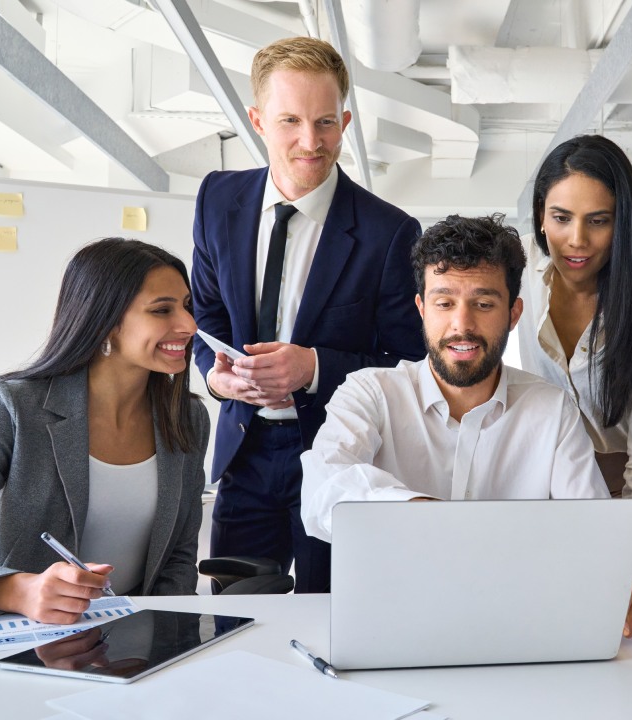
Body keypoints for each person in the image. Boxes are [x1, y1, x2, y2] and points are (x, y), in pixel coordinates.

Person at [301, 214, 632, 644]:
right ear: (421, 309)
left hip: (517, 631)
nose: (462, 325)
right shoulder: (370, 391)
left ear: (514, 312)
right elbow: (323, 489)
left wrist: (622, 586)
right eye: (444, 302)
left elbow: (592, 528)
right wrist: (425, 516)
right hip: (392, 628)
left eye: (484, 303)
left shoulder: (550, 410)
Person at [191, 37, 425, 593]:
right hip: (243, 455)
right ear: (257, 120)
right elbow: (206, 315)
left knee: (334, 618)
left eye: (325, 122)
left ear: (345, 120)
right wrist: (216, 377)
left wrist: (315, 368)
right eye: (290, 120)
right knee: (236, 621)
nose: (310, 141)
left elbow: (409, 362)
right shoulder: (216, 200)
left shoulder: (389, 232)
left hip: (341, 457)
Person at [0, 238, 208, 621]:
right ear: (105, 322)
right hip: (16, 632)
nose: (189, 325)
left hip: (133, 641)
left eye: (186, 306)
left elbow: (178, 556)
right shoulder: (16, 407)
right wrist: (18, 589)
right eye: (161, 310)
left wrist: (162, 634)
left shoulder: (185, 418)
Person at [518, 134, 632, 580]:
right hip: (533, 505)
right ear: (540, 216)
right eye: (560, 218)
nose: (577, 240)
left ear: (623, 223)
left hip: (622, 502)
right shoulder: (517, 273)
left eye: (598, 220)